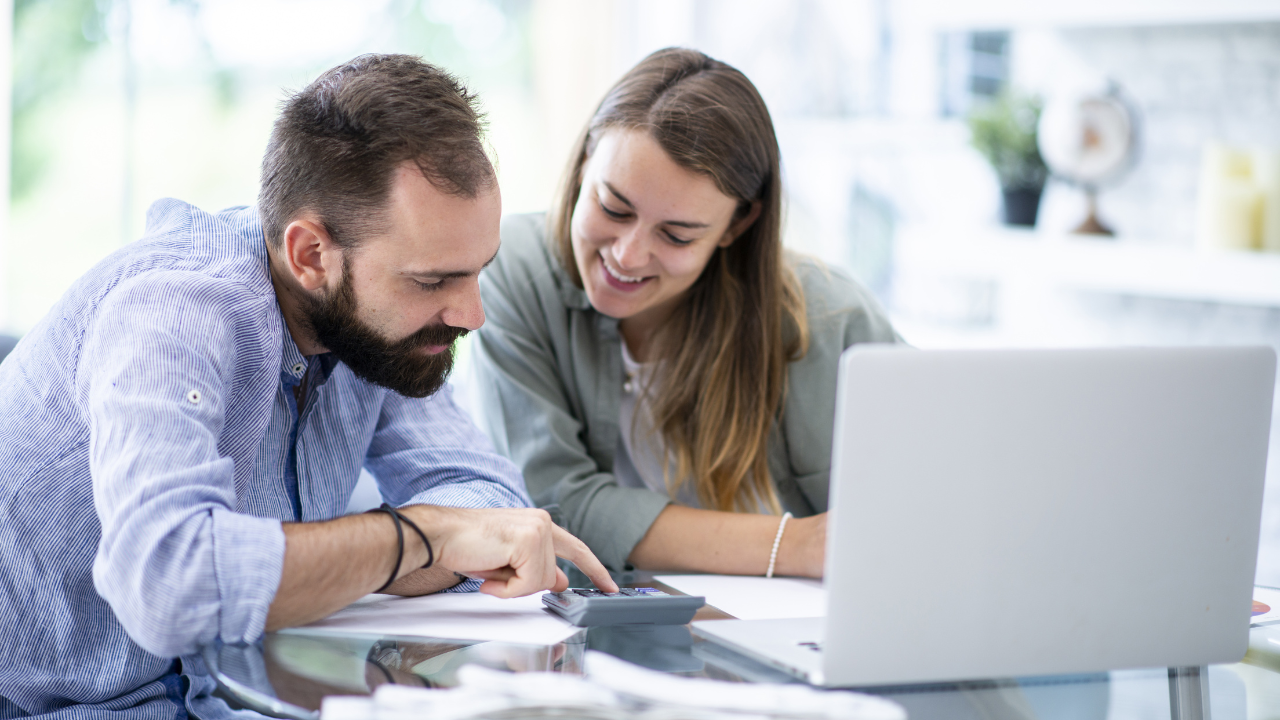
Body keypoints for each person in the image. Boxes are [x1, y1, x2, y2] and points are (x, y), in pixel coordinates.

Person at [0, 54, 614, 719]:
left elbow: (488, 504)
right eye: (434, 281)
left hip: (232, 697)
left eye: (476, 273)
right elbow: (168, 583)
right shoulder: (174, 312)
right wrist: (424, 537)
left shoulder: (378, 332)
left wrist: (426, 539)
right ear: (310, 255)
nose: (472, 315)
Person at [471, 48, 901, 579]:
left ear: (736, 226)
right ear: (585, 162)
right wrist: (798, 546)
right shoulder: (512, 267)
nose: (627, 255)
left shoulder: (831, 318)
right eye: (613, 207)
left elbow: (918, 508)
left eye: (676, 235)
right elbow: (551, 507)